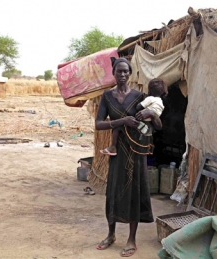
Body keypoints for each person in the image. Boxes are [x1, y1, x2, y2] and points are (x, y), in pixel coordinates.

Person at [95, 57, 162, 257]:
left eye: (126, 72)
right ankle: (111, 234)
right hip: (116, 152)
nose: (122, 75)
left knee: (135, 192)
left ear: (130, 73)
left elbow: (158, 126)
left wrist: (152, 112)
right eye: (119, 71)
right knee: (113, 192)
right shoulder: (107, 97)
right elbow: (98, 124)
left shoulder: (140, 97)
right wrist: (120, 121)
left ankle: (132, 239)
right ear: (113, 73)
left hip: (136, 152)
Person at [100, 78, 166, 156]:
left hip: (141, 123)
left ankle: (113, 147)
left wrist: (141, 101)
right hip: (148, 127)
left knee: (118, 126)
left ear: (150, 90)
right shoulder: (161, 103)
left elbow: (138, 107)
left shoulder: (150, 99)